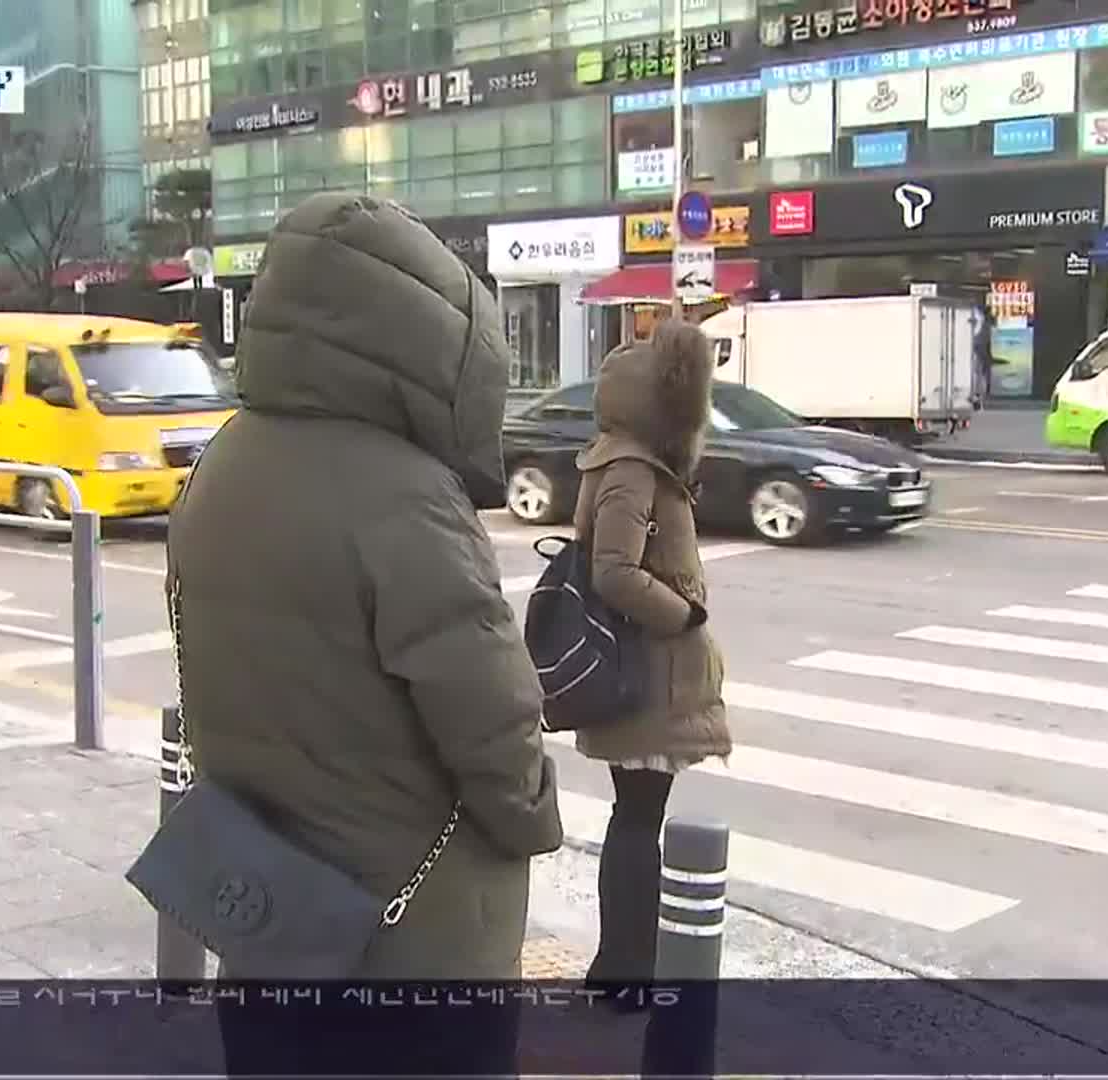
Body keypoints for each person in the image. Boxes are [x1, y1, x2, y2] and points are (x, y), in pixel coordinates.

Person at [166, 192, 563, 1069]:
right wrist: (534, 816)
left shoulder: (226, 457)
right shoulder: (407, 495)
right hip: (412, 938)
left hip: (269, 905)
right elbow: (493, 716)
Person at [572, 321, 734, 1002]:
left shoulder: (628, 460)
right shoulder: (632, 467)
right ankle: (624, 975)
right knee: (638, 824)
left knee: (636, 821)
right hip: (647, 676)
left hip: (648, 673)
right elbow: (613, 571)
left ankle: (621, 969)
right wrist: (685, 613)